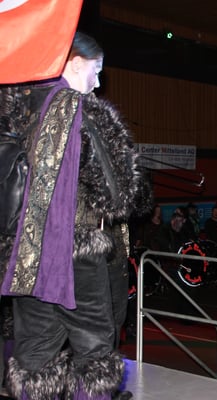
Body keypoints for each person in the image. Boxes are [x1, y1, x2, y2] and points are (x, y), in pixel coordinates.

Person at [0, 32, 149, 400]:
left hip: (28, 253)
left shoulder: (20, 109)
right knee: (94, 351)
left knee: (35, 353)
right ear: (73, 63)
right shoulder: (82, 111)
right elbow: (117, 196)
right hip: (76, 254)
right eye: (96, 71)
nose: (98, 83)